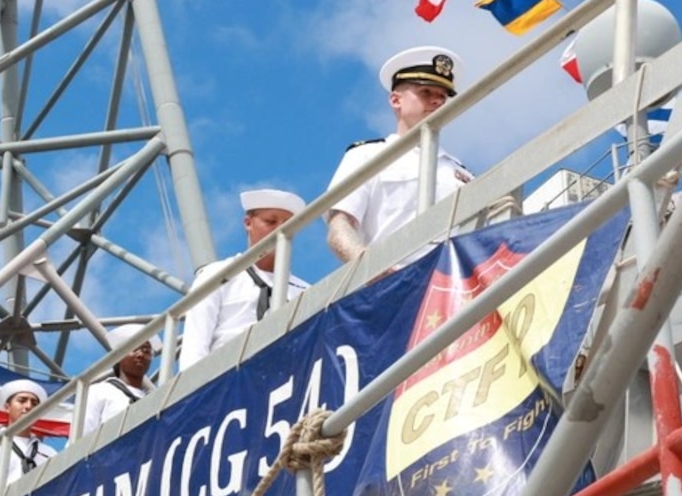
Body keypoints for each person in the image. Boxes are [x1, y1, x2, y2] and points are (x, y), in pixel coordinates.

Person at [326, 46, 473, 264]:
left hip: (454, 282)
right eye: (426, 93)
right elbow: (340, 225)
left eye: (442, 96)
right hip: (395, 281)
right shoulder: (368, 156)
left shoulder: (460, 172)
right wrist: (370, 270)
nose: (437, 101)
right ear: (396, 100)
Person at [180, 188, 310, 372]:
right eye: (271, 222)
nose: (281, 229)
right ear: (248, 223)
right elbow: (196, 344)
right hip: (228, 379)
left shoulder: (304, 290)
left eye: (289, 224)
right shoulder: (218, 275)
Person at [84, 325, 159, 432]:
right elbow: (81, 437)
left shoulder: (153, 402)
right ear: (118, 356)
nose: (140, 354)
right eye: (134, 349)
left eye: (146, 351)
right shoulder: (100, 391)